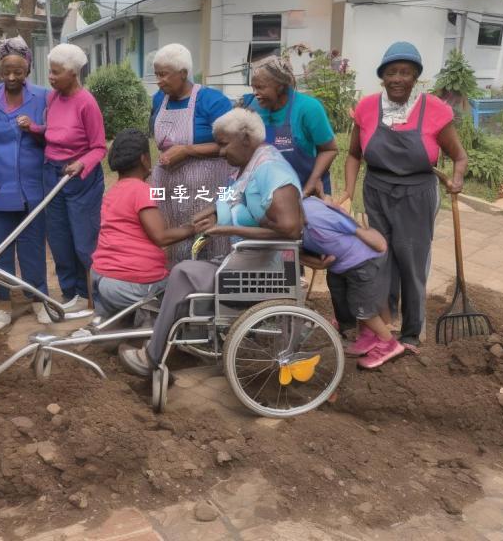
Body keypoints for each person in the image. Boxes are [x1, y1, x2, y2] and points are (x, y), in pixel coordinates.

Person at [119, 108, 304, 376]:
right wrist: (211, 215)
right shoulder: (252, 165)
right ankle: (169, 344)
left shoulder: (272, 170)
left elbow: (290, 229)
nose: (219, 151)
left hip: (266, 270)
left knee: (183, 273)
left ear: (245, 138)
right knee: (182, 272)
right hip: (249, 261)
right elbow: (237, 199)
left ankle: (153, 355)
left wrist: (225, 228)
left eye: (223, 143)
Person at [339, 41, 468, 347]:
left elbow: (460, 157)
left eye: (406, 72)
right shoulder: (367, 107)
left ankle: (411, 332)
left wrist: (458, 179)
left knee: (411, 260)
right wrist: (346, 190)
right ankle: (383, 323)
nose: (398, 78)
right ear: (382, 76)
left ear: (415, 78)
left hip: (417, 193)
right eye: (392, 72)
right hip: (377, 189)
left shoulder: (435, 109)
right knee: (380, 257)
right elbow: (354, 154)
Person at [0, 36, 50, 330]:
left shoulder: (42, 97)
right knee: (0, 248)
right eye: (6, 71)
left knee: (33, 248)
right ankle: (3, 304)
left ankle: (38, 299)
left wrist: (35, 129)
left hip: (32, 185)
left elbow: (52, 135)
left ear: (28, 68)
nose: (12, 77)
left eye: (18, 71)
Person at [18, 43, 106, 311]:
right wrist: (33, 128)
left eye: (56, 72)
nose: (51, 77)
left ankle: (92, 296)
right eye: (50, 72)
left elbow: (99, 146)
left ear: (73, 73)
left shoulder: (87, 103)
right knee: (58, 238)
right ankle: (71, 294)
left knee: (83, 239)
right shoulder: (53, 98)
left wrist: (81, 163)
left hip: (80, 179)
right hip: (52, 173)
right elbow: (54, 132)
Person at [91, 128, 201, 321]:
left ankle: (121, 327)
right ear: (144, 159)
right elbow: (161, 237)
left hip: (100, 277)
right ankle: (147, 333)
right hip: (129, 284)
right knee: (186, 289)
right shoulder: (141, 190)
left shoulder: (113, 191)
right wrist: (194, 228)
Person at [150, 43, 233, 264]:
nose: (159, 80)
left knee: (208, 235)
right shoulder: (159, 99)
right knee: (175, 234)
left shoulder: (213, 101)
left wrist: (187, 151)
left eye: (164, 74)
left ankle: (210, 286)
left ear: (184, 73)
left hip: (207, 185)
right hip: (170, 185)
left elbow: (234, 145)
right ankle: (177, 285)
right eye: (156, 74)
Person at [300, 196, 404, 369]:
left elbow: (346, 223)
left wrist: (370, 238)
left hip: (362, 261)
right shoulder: (306, 208)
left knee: (363, 309)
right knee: (355, 303)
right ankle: (368, 337)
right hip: (348, 264)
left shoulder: (315, 216)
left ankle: (389, 345)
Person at [239, 55, 338, 197]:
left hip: (306, 190)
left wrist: (312, 182)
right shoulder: (252, 108)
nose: (255, 93)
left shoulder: (308, 108)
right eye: (253, 87)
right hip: (266, 193)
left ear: (280, 87)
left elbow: (329, 150)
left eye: (260, 87)